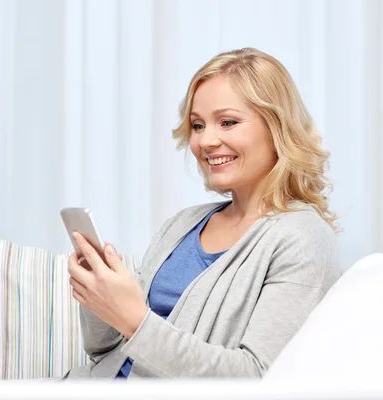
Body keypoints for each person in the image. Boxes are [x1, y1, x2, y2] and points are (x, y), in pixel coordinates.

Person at [64, 47, 341, 379]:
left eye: (228, 122)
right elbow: (104, 352)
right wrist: (98, 296)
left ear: (277, 127)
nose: (207, 141)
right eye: (197, 125)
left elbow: (255, 377)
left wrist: (135, 320)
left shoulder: (301, 238)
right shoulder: (183, 224)